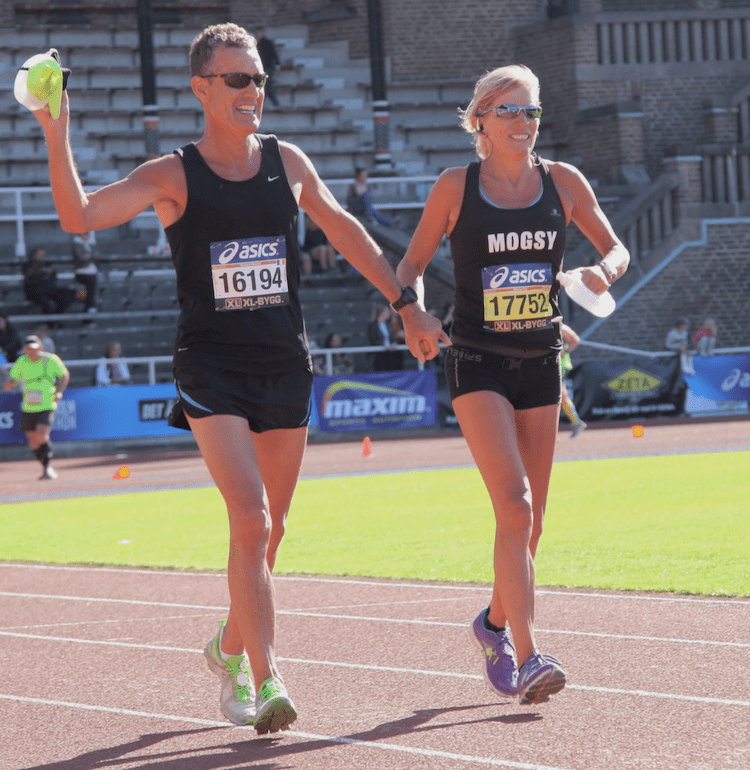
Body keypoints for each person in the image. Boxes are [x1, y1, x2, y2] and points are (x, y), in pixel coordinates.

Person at [31, 23, 446, 734]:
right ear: (201, 88)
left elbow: (345, 231)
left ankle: (228, 647)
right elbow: (78, 216)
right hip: (211, 368)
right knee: (249, 519)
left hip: (284, 362)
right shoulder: (171, 174)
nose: (254, 90)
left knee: (271, 532)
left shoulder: (288, 163)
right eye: (237, 79)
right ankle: (265, 676)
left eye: (258, 77)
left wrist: (406, 304)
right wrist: (55, 127)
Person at [396, 64, 629, 705]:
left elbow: (617, 249)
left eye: (530, 111)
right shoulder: (454, 187)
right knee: (516, 503)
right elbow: (412, 264)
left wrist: (601, 271)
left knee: (533, 525)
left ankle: (493, 625)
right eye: (508, 111)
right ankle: (529, 657)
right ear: (480, 120)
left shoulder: (564, 182)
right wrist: (410, 308)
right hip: (478, 362)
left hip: (542, 361)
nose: (522, 123)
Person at [3, 334, 69, 480]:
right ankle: (45, 466)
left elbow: (64, 375)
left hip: (46, 404)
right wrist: (9, 383)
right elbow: (14, 378)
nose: (31, 352)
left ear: (40, 347)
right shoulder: (22, 361)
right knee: (32, 441)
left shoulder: (50, 360)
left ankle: (48, 467)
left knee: (41, 434)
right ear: (25, 349)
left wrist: (59, 392)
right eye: (28, 349)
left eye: (34, 348)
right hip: (29, 406)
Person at [22, 246, 76, 316]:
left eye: (43, 254)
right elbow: (30, 278)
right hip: (36, 292)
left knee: (72, 293)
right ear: (34, 255)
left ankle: (56, 317)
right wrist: (44, 272)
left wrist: (52, 272)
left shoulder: (46, 264)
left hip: (50, 290)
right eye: (39, 254)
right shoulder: (27, 265)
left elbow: (54, 278)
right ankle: (51, 323)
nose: (41, 256)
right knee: (46, 302)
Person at [560, 323, 586, 438]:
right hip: (546, 365)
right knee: (561, 397)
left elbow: (575, 339)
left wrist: (565, 351)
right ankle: (577, 422)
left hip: (559, 365)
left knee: (560, 396)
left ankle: (577, 422)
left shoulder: (560, 327)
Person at [367, 303, 402, 371]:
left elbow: (391, 337)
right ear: (381, 313)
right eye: (387, 312)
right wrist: (385, 346)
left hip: (390, 354)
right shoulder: (372, 326)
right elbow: (373, 339)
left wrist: (393, 344)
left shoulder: (387, 324)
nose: (388, 313)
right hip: (379, 355)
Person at [71, 231, 99, 313]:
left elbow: (97, 255)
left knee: (91, 287)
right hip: (81, 272)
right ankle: (90, 306)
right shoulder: (77, 244)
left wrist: (89, 255)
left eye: (86, 234)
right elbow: (81, 257)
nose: (85, 236)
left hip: (91, 271)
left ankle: (89, 306)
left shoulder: (90, 244)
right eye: (83, 234)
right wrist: (91, 255)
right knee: (91, 283)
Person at [253, 26, 280, 107]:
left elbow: (274, 54)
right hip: (262, 68)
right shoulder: (258, 45)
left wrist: (277, 64)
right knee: (267, 85)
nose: (257, 35)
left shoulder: (268, 43)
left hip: (268, 66)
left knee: (266, 84)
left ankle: (265, 103)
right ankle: (274, 103)